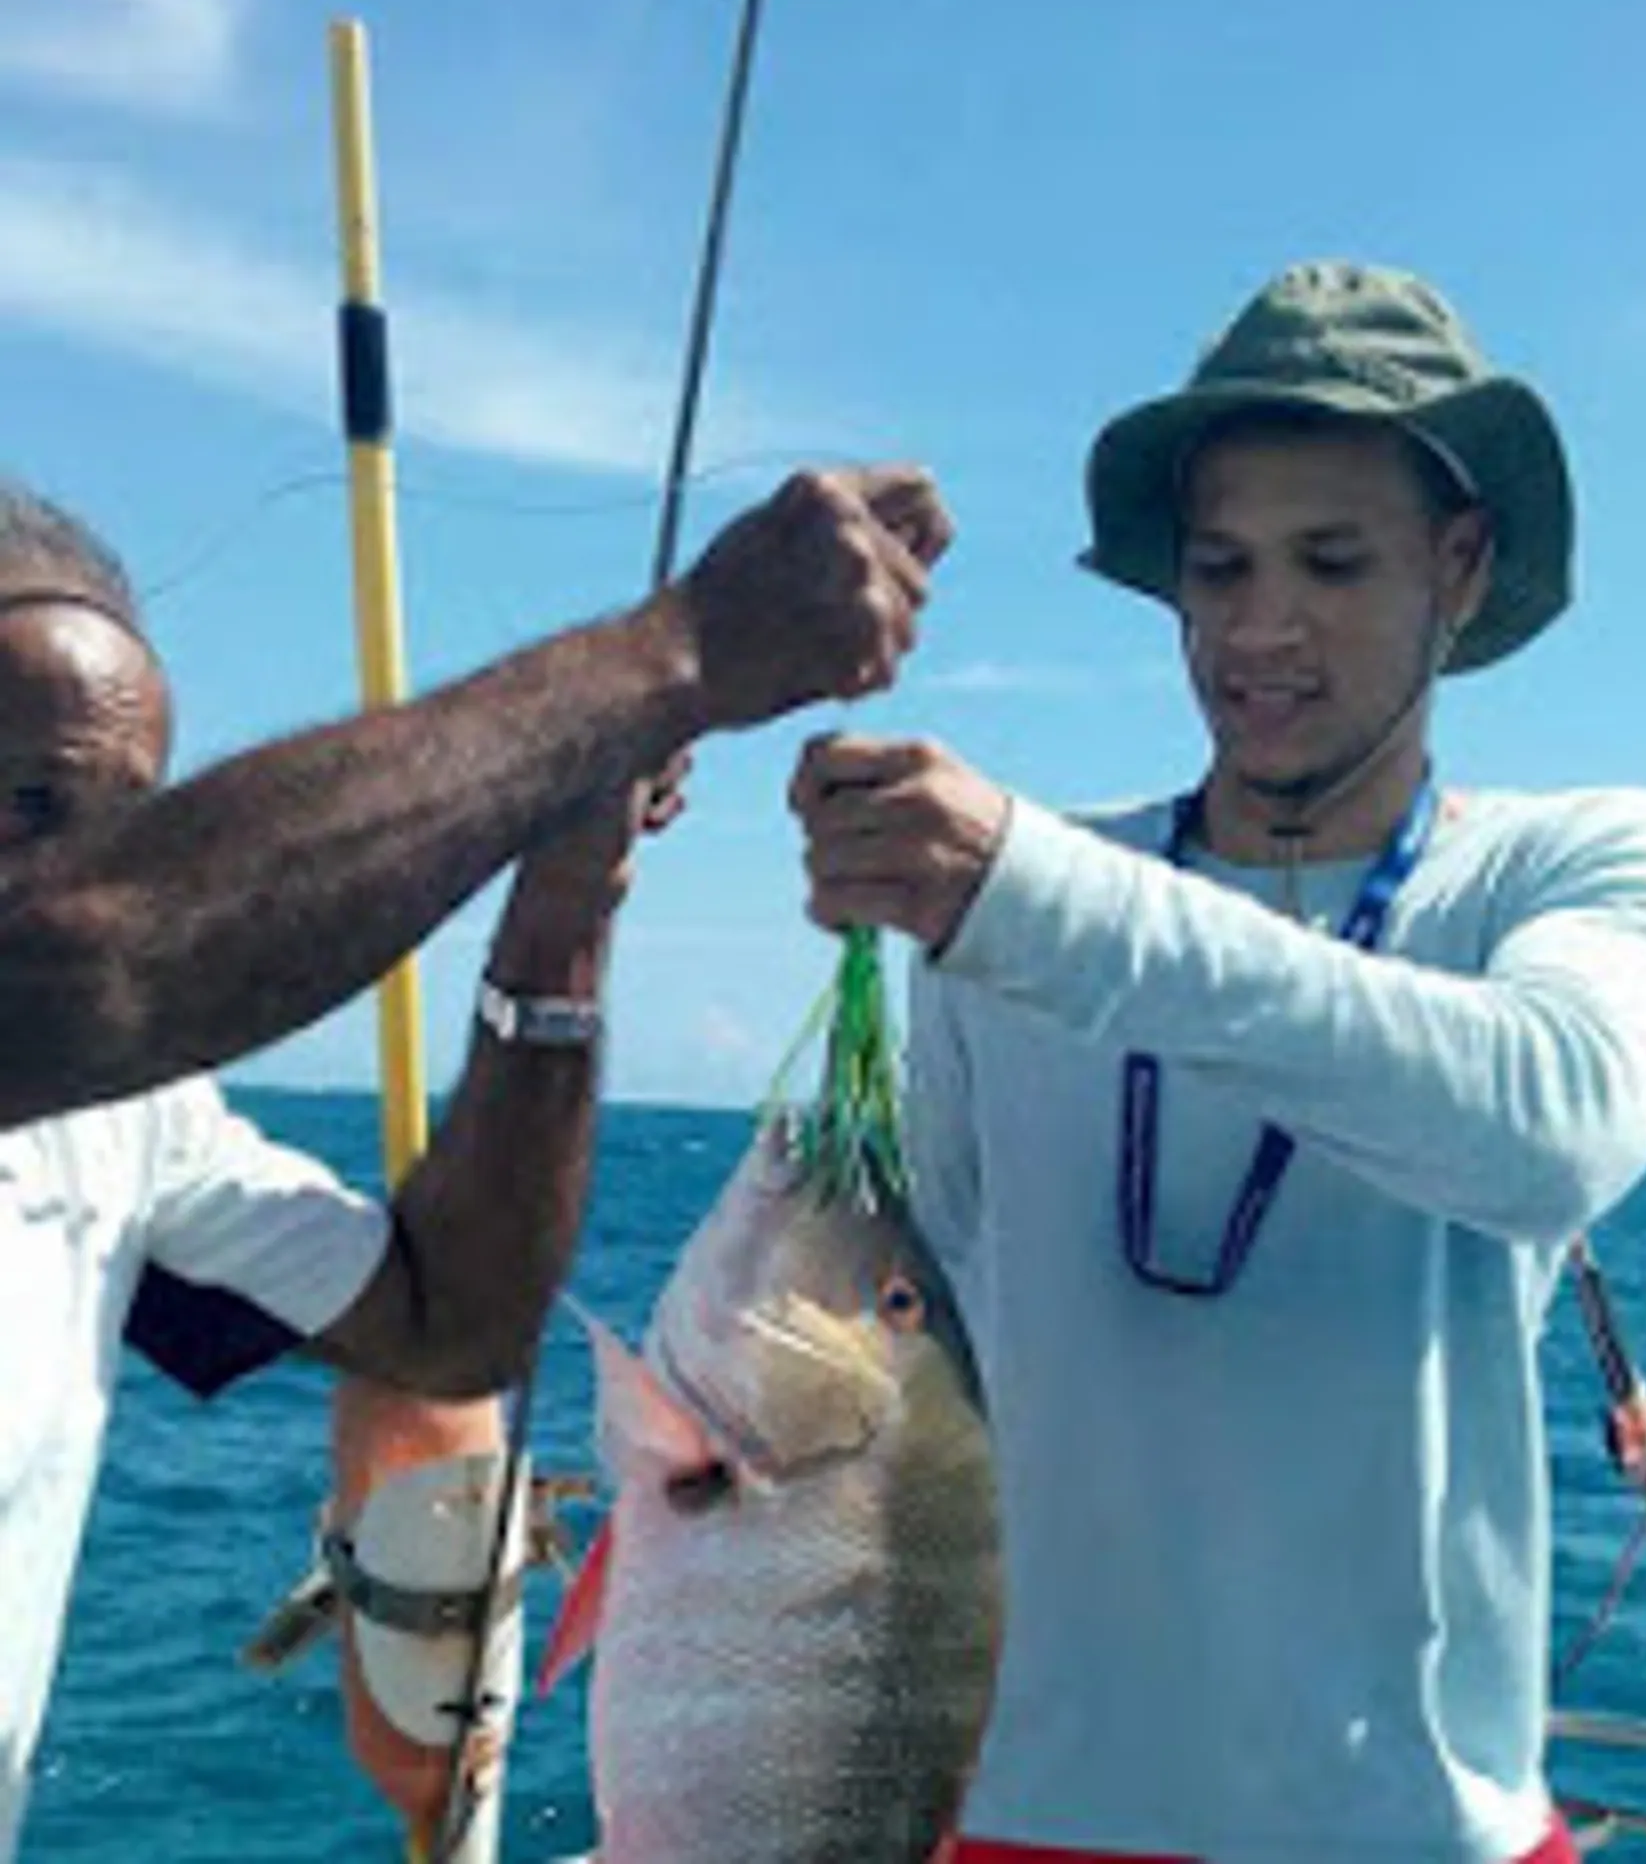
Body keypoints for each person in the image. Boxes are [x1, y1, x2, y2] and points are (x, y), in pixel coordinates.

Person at [791, 263, 1646, 1863]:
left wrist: (1025, 895)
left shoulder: (1579, 864)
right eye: (1217, 568)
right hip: (1024, 1816)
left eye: (1332, 562)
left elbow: (1552, 1124)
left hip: (1424, 1830)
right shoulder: (1008, 918)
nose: (1258, 626)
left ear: (1464, 564)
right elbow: (891, 1331)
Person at [0, 461, 952, 1859]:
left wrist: (559, 908)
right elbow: (84, 964)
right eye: (30, 801)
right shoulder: (71, 1004)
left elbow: (453, 1322)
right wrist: (673, 656)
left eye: (129, 828)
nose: (76, 873)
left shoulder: (124, 1116)